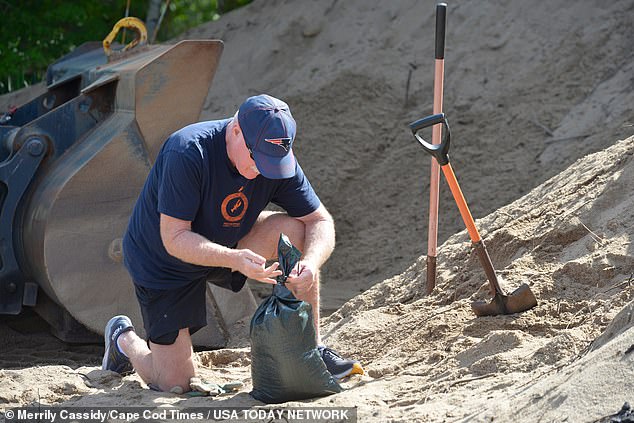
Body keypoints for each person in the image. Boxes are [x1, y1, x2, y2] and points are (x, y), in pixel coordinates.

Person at [101, 94, 363, 392]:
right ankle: (123, 340)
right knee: (175, 383)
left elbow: (320, 221)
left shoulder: (273, 154)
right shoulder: (187, 151)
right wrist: (234, 260)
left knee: (297, 234)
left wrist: (311, 263)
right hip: (164, 261)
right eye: (257, 160)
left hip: (231, 239)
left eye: (273, 162)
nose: (263, 171)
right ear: (235, 130)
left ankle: (312, 348)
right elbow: (174, 239)